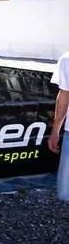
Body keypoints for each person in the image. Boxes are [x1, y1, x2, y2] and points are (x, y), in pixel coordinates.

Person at [49, 52, 69, 200]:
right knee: (65, 193)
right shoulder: (66, 59)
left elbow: (64, 94)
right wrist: (55, 131)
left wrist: (55, 131)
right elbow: (64, 95)